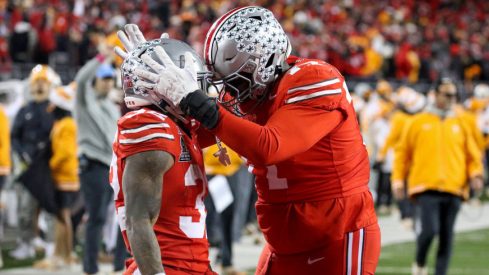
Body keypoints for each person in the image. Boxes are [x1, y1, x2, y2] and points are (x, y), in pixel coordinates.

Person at [121, 6, 380, 274]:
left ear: (264, 61)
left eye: (238, 81)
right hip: (281, 238)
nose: (231, 92)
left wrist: (192, 99)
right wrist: (152, 80)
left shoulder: (315, 78)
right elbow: (187, 133)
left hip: (335, 233)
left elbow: (268, 147)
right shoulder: (248, 91)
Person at [110, 37, 216, 275]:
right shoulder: (150, 126)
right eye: (189, 82)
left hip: (190, 265)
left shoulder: (177, 127)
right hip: (165, 268)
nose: (197, 92)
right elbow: (138, 221)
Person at [391, 78, 484, 275]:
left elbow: (472, 156)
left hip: (455, 186)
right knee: (429, 230)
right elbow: (402, 154)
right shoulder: (417, 122)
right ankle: (420, 262)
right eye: (447, 94)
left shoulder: (462, 123)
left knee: (447, 236)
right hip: (425, 185)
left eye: (454, 95)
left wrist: (476, 174)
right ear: (435, 95)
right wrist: (398, 180)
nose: (452, 99)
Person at [74, 44, 126, 275]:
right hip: (93, 163)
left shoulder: (111, 107)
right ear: (96, 80)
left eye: (109, 79)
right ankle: (90, 269)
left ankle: (120, 266)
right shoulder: (84, 101)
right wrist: (99, 58)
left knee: (122, 216)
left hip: (111, 165)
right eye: (103, 78)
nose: (106, 82)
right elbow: (81, 79)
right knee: (95, 217)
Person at [10, 65, 56, 260]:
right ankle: (26, 243)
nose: (39, 85)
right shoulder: (24, 110)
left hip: (48, 166)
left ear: (48, 84)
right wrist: (22, 155)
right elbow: (14, 137)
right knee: (25, 209)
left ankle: (52, 246)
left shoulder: (55, 108)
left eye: (42, 82)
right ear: (31, 84)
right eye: (36, 82)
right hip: (28, 166)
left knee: (52, 208)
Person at [34, 83, 80, 270]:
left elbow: (65, 152)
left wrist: (50, 167)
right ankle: (63, 255)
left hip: (65, 177)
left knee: (63, 217)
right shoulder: (62, 124)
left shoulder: (67, 125)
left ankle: (64, 255)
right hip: (63, 176)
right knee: (62, 217)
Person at [203, 144, 251, 275]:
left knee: (227, 220)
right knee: (206, 222)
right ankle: (203, 263)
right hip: (210, 173)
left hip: (231, 171)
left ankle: (225, 261)